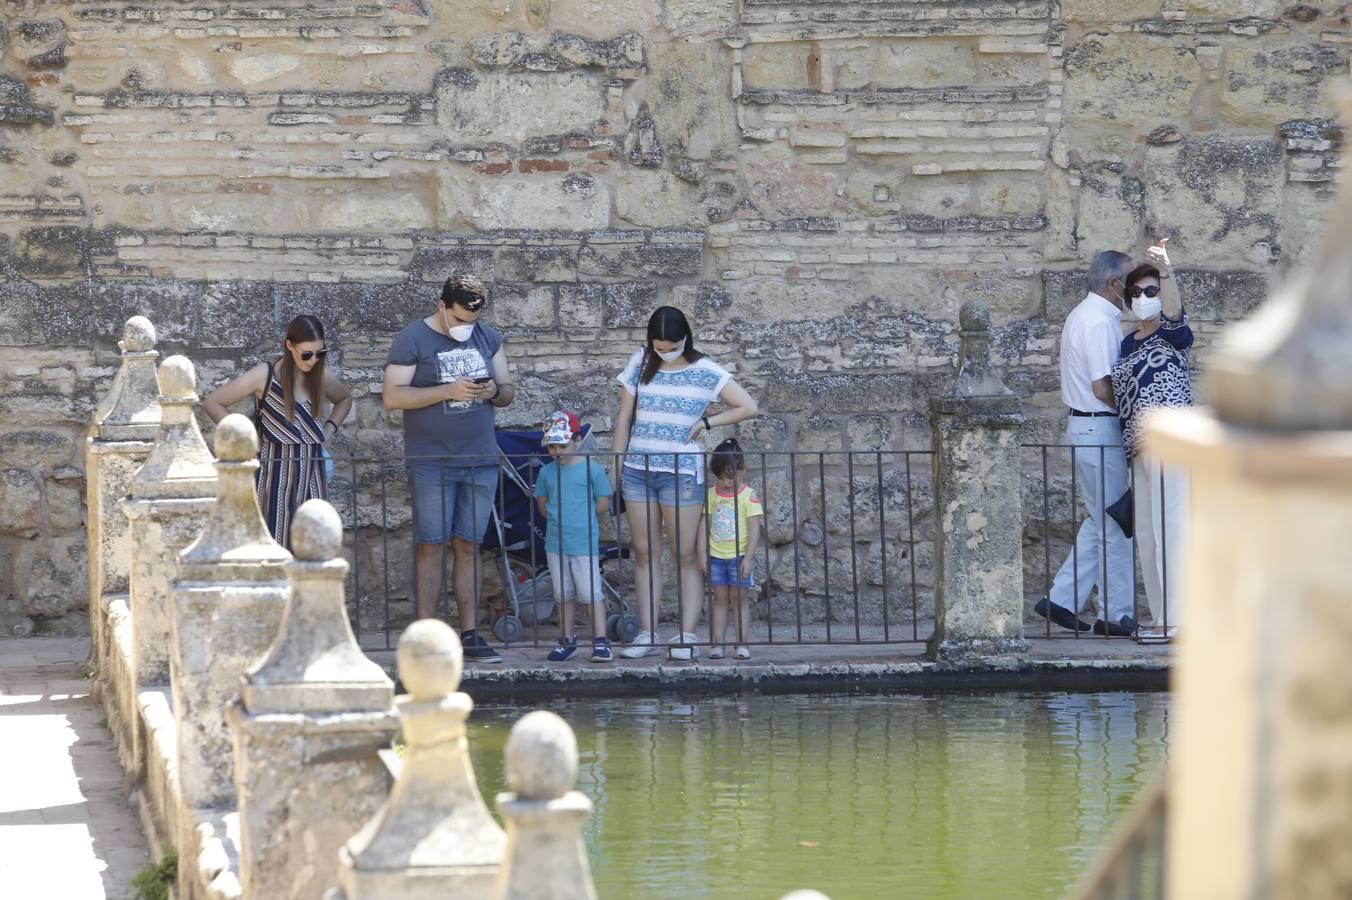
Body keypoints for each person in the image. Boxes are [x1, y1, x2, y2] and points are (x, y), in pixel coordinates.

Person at [612, 306, 760, 660]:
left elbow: (748, 405)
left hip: (681, 475)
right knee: (646, 553)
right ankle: (647, 634)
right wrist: (615, 469)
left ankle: (686, 635)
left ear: (684, 339)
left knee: (686, 555)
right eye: (658, 346)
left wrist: (706, 424)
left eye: (671, 345)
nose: (664, 351)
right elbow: (623, 418)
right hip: (638, 469)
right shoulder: (639, 362)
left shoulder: (705, 370)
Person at [383, 274, 515, 662]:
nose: (465, 328)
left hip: (480, 461)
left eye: (471, 322)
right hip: (431, 462)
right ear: (442, 306)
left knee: (469, 547)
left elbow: (507, 390)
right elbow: (392, 396)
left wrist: (493, 391)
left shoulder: (489, 337)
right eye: (458, 320)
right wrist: (446, 390)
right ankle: (425, 639)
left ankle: (470, 633)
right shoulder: (412, 339)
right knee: (431, 546)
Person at [1034, 250, 1138, 637]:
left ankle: (1061, 601)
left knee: (1102, 519)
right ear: (1115, 285)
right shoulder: (1099, 322)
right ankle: (1116, 614)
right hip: (1099, 427)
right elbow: (1103, 385)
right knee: (1118, 522)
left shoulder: (1086, 315)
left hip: (1088, 428)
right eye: (1131, 280)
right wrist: (1135, 411)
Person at [203, 314, 351, 549]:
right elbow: (214, 403)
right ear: (289, 345)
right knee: (275, 547)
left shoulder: (319, 375)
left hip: (313, 474)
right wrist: (245, 441)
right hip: (274, 477)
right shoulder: (265, 375)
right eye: (307, 354)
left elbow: (344, 399)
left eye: (320, 353)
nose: (313, 360)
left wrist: (329, 430)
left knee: (314, 549)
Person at [1111, 240, 1192, 643]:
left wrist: (1166, 272)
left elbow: (1176, 310)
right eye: (1137, 292)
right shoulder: (1127, 344)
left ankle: (1181, 619)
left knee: (1173, 530)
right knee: (1148, 535)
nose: (1144, 298)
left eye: (1151, 291)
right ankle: (1161, 619)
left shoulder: (1173, 335)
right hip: (1138, 448)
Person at [534, 410, 614, 663]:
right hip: (556, 543)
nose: (557, 452)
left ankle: (600, 640)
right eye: (552, 447)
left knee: (591, 593)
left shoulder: (591, 468)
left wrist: (583, 516)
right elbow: (542, 504)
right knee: (563, 594)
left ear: (577, 440)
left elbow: (603, 501)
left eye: (563, 445)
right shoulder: (546, 472)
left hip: (583, 543)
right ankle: (567, 639)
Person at [697, 438, 763, 660]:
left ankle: (742, 644)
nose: (725, 482)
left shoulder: (748, 496)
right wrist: (702, 553)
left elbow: (755, 530)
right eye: (720, 477)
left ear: (743, 470)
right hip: (716, 556)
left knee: (740, 600)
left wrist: (748, 558)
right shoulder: (711, 495)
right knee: (720, 600)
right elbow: (703, 525)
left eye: (730, 477)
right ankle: (718, 644)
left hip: (739, 557)